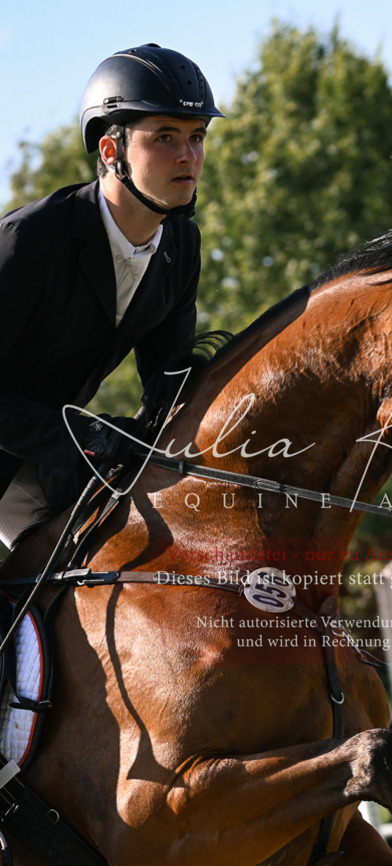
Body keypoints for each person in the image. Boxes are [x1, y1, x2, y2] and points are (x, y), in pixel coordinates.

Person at [0, 43, 225, 549]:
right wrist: (85, 438)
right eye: (165, 137)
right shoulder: (27, 243)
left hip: (41, 460)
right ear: (110, 151)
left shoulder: (181, 244)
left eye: (197, 136)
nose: (188, 155)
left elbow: (169, 378)